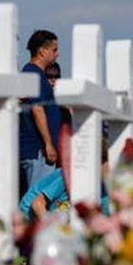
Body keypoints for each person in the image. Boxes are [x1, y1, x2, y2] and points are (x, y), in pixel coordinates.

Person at [19, 139, 110, 221]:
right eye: (104, 163)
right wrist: (51, 227)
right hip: (29, 215)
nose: (109, 169)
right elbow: (37, 203)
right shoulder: (67, 177)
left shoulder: (103, 192)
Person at [19, 30, 61, 196]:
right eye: (54, 49)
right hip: (37, 150)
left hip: (40, 149)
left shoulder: (38, 74)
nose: (57, 54)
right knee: (37, 199)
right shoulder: (32, 74)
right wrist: (48, 143)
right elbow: (37, 110)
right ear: (42, 51)